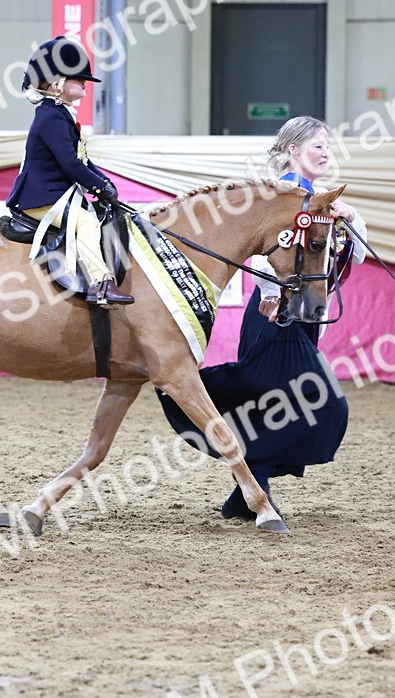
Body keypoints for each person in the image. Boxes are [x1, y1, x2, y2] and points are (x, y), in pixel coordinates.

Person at [157, 116, 368, 520]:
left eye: (327, 147)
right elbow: (262, 251)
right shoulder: (275, 198)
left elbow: (355, 253)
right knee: (315, 400)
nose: (326, 154)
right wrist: (273, 293)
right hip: (276, 312)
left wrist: (351, 215)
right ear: (293, 150)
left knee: (274, 403)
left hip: (307, 314)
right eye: (317, 146)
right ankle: (190, 395)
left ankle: (246, 496)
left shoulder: (322, 201)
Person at [5, 36, 133, 307]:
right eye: (78, 78)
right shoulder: (50, 117)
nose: (84, 82)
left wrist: (104, 183)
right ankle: (101, 284)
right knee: (85, 223)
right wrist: (99, 188)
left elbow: (82, 160)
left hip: (58, 194)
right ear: (57, 84)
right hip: (41, 198)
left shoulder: (62, 114)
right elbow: (70, 164)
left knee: (100, 216)